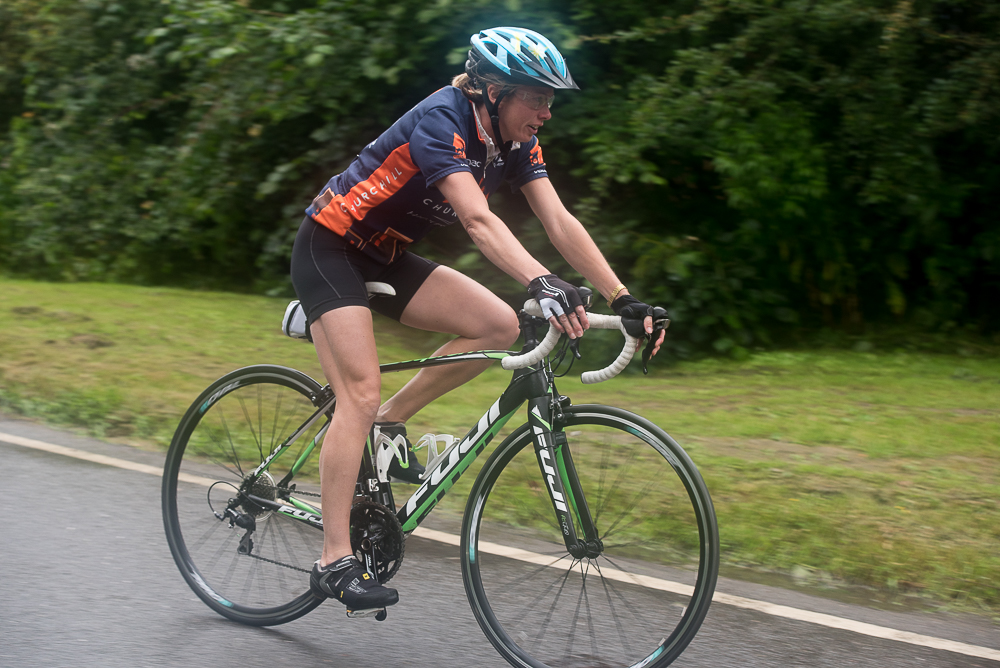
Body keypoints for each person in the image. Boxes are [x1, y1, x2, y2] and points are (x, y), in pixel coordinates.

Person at [290, 26, 666, 611]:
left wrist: (621, 296)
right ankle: (333, 560)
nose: (546, 112)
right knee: (358, 394)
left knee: (499, 325)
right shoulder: (442, 120)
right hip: (331, 247)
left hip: (386, 254)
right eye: (536, 98)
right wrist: (541, 281)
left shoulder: (514, 142)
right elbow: (477, 219)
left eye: (550, 100)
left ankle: (389, 424)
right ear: (493, 91)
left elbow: (559, 221)